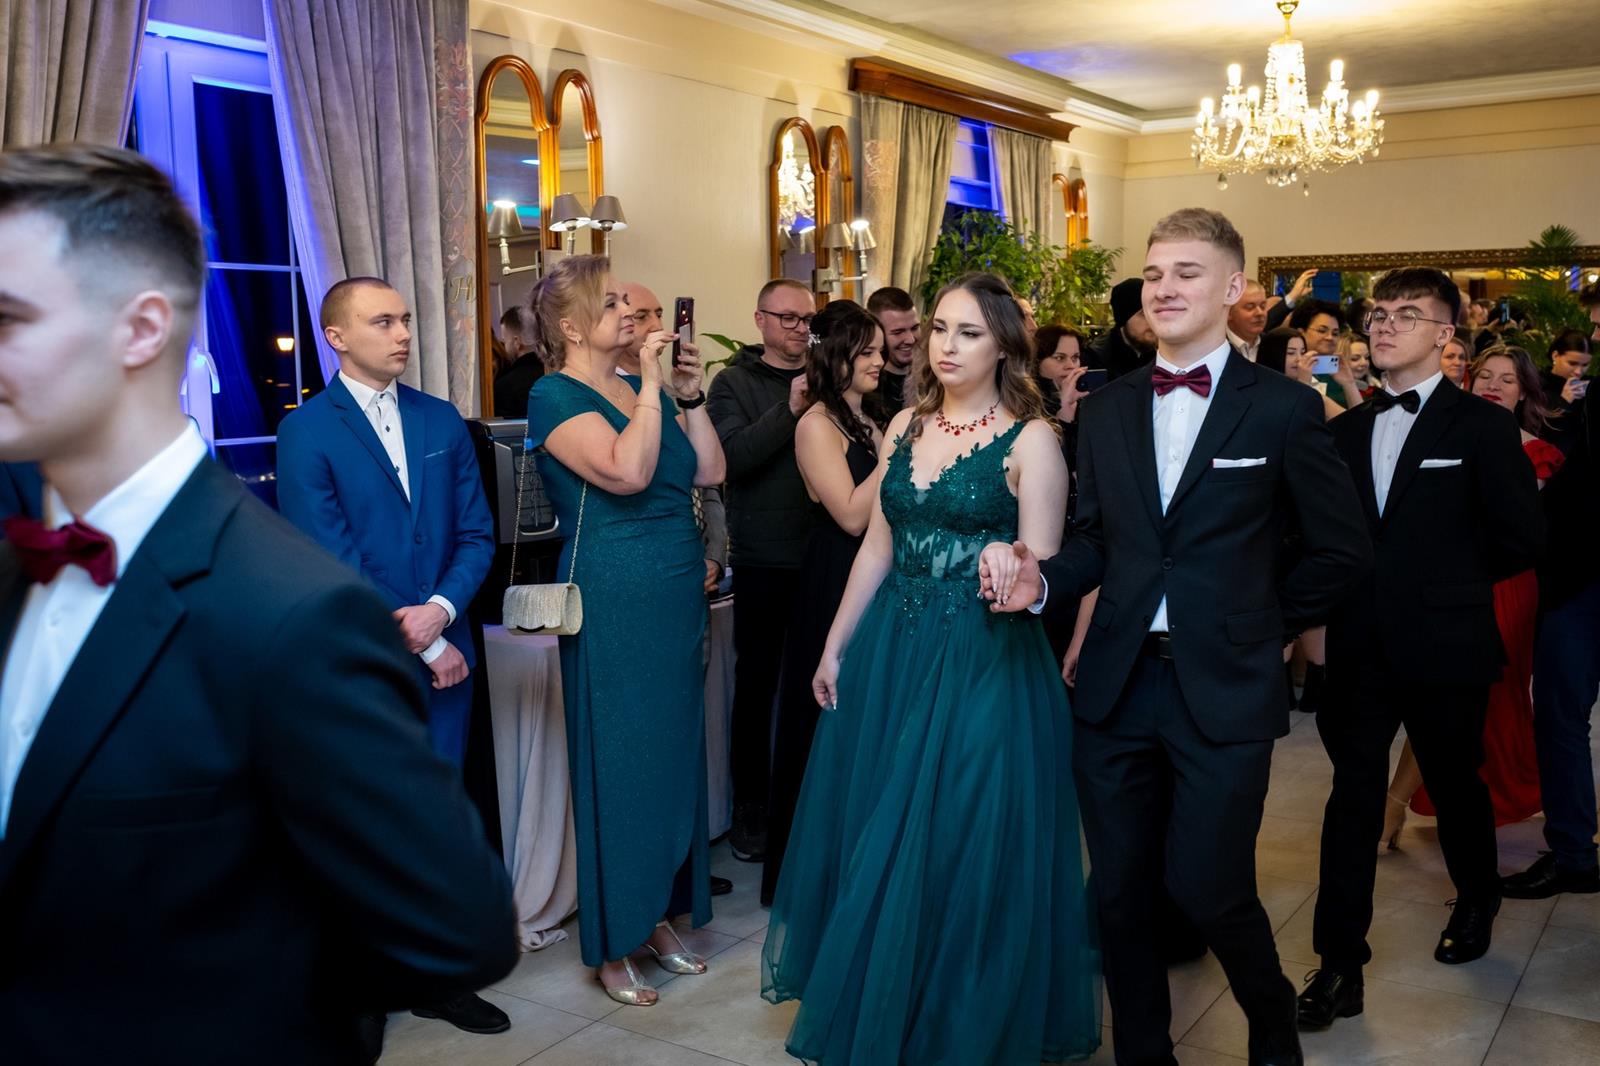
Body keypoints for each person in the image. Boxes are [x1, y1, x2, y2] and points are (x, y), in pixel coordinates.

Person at [0, 143, 516, 1064]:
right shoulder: (18, 571)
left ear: (140, 329)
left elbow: (456, 921)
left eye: (10, 317)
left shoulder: (289, 612)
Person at [987, 208, 1369, 1066]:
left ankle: (1271, 1023)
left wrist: (1261, 626)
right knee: (1118, 894)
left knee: (1208, 885)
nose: (1164, 288)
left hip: (1224, 687)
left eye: (1187, 273)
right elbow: (1095, 538)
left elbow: (1342, 552)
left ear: (1234, 289)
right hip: (1117, 684)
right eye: (1155, 273)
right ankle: (1144, 1054)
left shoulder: (1283, 408)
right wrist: (1044, 580)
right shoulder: (1107, 408)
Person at [763, 272, 1100, 1064]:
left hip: (986, 658)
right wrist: (836, 644)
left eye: (969, 332)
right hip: (893, 651)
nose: (947, 345)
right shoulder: (904, 425)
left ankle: (959, 1026)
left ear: (1004, 345)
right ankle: (891, 1008)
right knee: (882, 832)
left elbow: (1043, 570)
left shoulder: (1033, 440)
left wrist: (1009, 563)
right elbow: (877, 547)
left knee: (961, 837)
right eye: (940, 328)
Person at [1300, 269, 1544, 1031]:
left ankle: (1477, 898)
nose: (1383, 325)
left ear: (1445, 334)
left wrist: (1443, 586)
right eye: (1377, 313)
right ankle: (1339, 963)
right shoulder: (1343, 431)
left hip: (1446, 641)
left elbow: (1521, 538)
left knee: (1456, 782)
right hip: (1359, 646)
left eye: (1406, 314)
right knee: (1352, 797)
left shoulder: (1481, 427)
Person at [524, 255, 726, 1006]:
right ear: (572, 327)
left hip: (676, 589)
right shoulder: (553, 394)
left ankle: (659, 917)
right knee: (623, 766)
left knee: (672, 759)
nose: (630, 316)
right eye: (611, 305)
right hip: (614, 595)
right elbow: (628, 473)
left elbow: (708, 470)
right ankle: (615, 943)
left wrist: (687, 395)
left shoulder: (642, 389)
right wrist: (647, 385)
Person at [277, 279, 495, 769]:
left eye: (405, 321)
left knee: (442, 801)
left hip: (450, 661)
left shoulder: (441, 418)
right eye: (384, 322)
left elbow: (476, 535)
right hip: (363, 662)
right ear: (337, 337)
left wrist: (439, 611)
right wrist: (428, 642)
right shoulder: (304, 431)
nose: (403, 334)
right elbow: (327, 557)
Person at [1379, 345, 1559, 848]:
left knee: (1481, 699)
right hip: (1439, 585)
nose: (1494, 386)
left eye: (1507, 379)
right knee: (1441, 697)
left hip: (1505, 587)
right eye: (1486, 376)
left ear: (1524, 393)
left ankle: (1398, 805)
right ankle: (1410, 804)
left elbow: (1513, 533)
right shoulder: (1435, 435)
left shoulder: (1540, 453)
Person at [760, 300, 884, 907]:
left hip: (874, 575)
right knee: (825, 726)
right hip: (834, 574)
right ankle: (813, 874)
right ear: (837, 356)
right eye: (868, 352)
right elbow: (852, 514)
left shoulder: (865, 419)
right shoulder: (815, 424)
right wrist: (897, 454)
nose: (880, 361)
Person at [620, 279, 733, 898]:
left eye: (659, 313)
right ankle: (651, 880)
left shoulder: (668, 394)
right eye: (640, 315)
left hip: (689, 573)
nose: (655, 325)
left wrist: (713, 553)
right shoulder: (601, 397)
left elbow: (708, 480)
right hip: (640, 581)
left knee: (687, 729)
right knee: (648, 738)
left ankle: (685, 869)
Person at [706, 278, 816, 862]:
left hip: (823, 552)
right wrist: (791, 409)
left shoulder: (827, 373)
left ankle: (811, 802)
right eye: (788, 318)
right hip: (763, 558)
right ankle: (751, 809)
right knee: (757, 688)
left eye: (807, 319)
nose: (800, 328)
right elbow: (730, 459)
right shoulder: (733, 383)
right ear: (761, 321)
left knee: (818, 681)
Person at [1502, 283, 1600, 900]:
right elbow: (1563, 478)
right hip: (1579, 583)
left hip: (1578, 583)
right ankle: (1573, 856)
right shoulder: (1588, 401)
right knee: (1561, 720)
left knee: (1562, 721)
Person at [1087, 276, 1158, 380]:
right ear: (1123, 319)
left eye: (1155, 312)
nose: (1152, 321)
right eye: (1143, 314)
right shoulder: (1098, 358)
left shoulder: (1160, 352)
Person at [866, 285, 919, 418]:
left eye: (915, 328)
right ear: (877, 333)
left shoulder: (934, 377)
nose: (911, 339)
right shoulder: (867, 388)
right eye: (898, 332)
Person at [493, 303, 544, 417]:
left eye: (505, 341)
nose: (504, 347)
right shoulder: (553, 374)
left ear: (516, 342)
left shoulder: (505, 386)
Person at [1227, 279, 1269, 361]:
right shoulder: (1215, 346)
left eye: (1263, 306)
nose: (1260, 313)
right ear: (1229, 312)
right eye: (1250, 307)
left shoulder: (1273, 345)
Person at [1338, 332, 1378, 399]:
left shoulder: (1375, 386)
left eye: (1366, 357)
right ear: (1339, 361)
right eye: (1355, 359)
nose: (1364, 363)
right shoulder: (1330, 390)